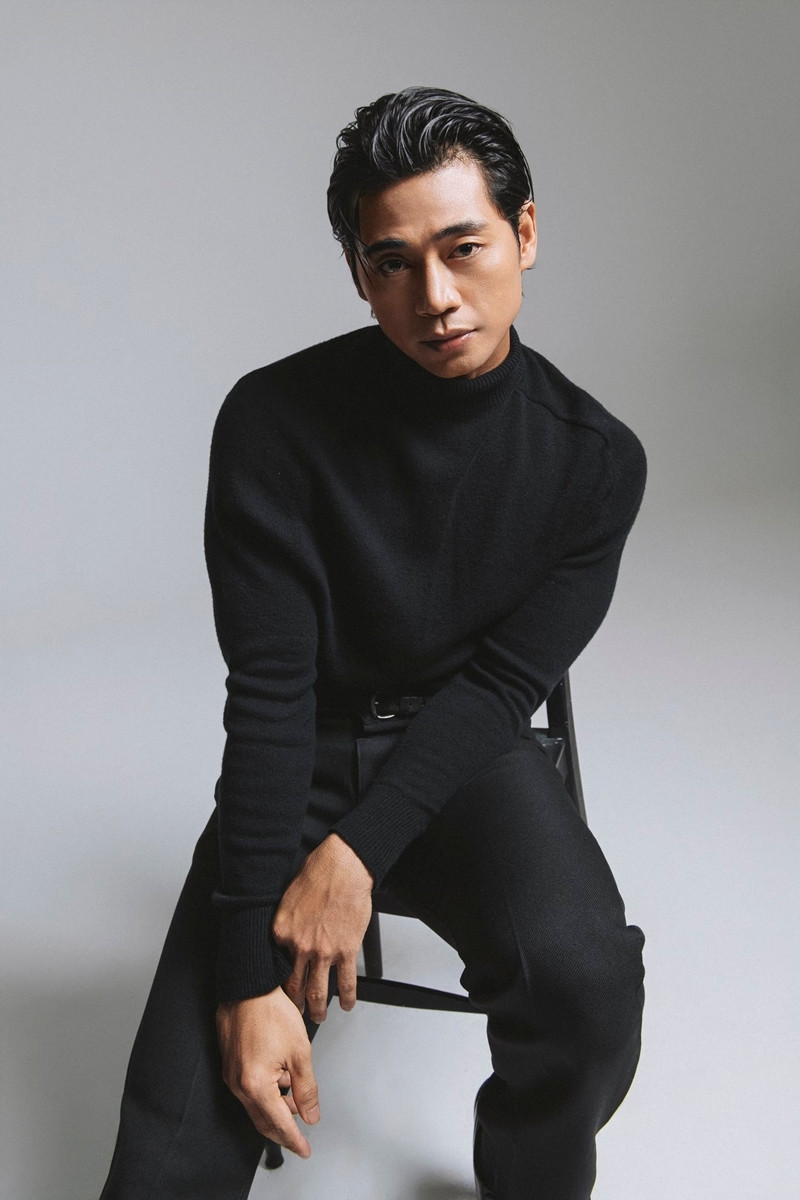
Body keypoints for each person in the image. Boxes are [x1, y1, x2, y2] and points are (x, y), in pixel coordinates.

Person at [99, 86, 646, 1200]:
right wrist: (247, 977)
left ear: (524, 233)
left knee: (587, 984)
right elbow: (268, 695)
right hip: (301, 751)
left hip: (465, 752)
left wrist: (351, 860)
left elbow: (500, 687)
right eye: (392, 262)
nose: (434, 297)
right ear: (358, 274)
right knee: (168, 1161)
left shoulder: (595, 463)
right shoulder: (272, 423)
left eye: (464, 247)